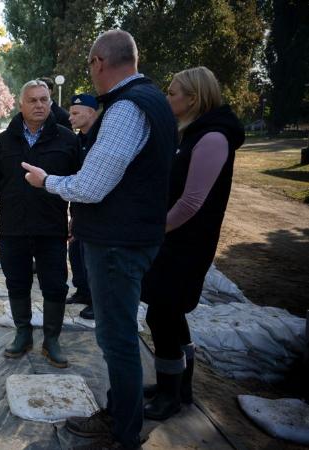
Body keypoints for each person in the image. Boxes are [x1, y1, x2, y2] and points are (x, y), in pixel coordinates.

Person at [21, 30, 176, 449]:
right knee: (120, 334)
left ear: (98, 62)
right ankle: (121, 415)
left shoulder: (126, 109)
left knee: (117, 338)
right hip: (132, 235)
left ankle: (121, 430)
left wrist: (46, 180)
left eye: (89, 67)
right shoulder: (154, 101)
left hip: (116, 244)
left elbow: (92, 185)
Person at [141, 66, 245, 420]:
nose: (167, 97)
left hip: (187, 244)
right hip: (175, 240)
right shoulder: (192, 133)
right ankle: (178, 384)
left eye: (172, 93)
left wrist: (154, 230)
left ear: (193, 99)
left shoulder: (213, 137)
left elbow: (191, 202)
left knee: (162, 314)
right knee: (168, 313)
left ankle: (171, 394)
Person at [0, 79, 81, 368]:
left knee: (56, 285)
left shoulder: (66, 140)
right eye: (33, 100)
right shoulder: (5, 141)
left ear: (51, 103)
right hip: (13, 227)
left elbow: (79, 183)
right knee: (17, 282)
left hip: (51, 227)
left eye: (44, 100)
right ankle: (23, 334)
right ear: (20, 104)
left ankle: (52, 340)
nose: (39, 105)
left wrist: (77, 217)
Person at [66, 93, 99, 321]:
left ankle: (98, 302)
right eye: (70, 113)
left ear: (91, 113)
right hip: (79, 208)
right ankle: (82, 291)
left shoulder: (101, 140)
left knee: (93, 258)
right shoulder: (78, 140)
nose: (70, 117)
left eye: (76, 113)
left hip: (97, 210)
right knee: (75, 252)